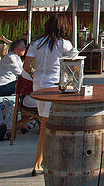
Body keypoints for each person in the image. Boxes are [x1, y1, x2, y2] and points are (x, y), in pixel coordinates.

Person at [24, 14, 78, 173]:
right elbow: (74, 65)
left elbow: (26, 66)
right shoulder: (65, 44)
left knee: (45, 122)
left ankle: (41, 161)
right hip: (55, 86)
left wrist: (34, 72)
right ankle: (39, 163)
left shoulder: (36, 43)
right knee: (50, 125)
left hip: (39, 86)